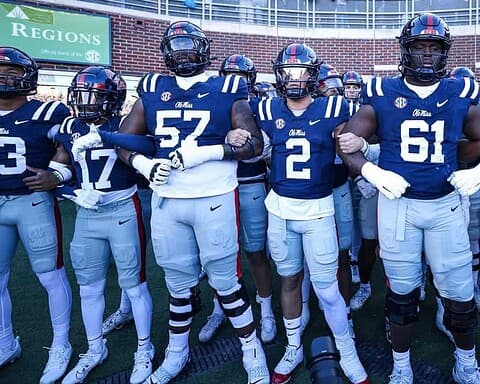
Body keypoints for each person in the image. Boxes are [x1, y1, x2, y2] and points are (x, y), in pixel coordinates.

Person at [74, 21, 270, 384]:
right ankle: (177, 353)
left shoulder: (229, 87)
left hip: (212, 197)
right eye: (175, 45)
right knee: (178, 284)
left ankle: (250, 346)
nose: (182, 53)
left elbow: (254, 145)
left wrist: (210, 152)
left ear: (204, 49)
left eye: (188, 45)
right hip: (167, 199)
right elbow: (125, 142)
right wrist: (144, 164)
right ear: (165, 51)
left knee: (225, 281)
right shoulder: (151, 86)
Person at [337, 13, 480, 384]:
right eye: (420, 47)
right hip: (398, 207)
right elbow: (347, 143)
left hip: (445, 205)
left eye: (435, 48)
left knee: (461, 297)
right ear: (406, 51)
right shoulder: (382, 92)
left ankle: (467, 361)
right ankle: (401, 366)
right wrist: (373, 171)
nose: (428, 55)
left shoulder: (460, 92)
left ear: (445, 53)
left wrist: (477, 171)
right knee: (401, 297)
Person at [31, 66, 155, 384]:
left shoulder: (125, 125)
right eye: (81, 95)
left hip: (122, 209)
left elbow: (148, 147)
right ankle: (94, 348)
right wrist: (69, 188)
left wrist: (110, 137)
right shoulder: (70, 128)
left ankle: (144, 349)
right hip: (87, 215)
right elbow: (61, 168)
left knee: (134, 285)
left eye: (95, 96)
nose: (86, 103)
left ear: (113, 99)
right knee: (89, 288)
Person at [257, 42, 368, 384]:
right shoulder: (266, 109)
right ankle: (292, 346)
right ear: (278, 76)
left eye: (301, 71)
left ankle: (347, 351)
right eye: (287, 71)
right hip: (279, 209)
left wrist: (359, 146)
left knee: (327, 287)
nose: (293, 78)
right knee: (289, 279)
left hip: (318, 209)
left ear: (314, 75)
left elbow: (360, 131)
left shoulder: (335, 108)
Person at [0, 46, 73, 384]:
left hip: (33, 204)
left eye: (12, 71)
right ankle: (5, 342)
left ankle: (61, 345)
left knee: (49, 276)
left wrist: (56, 174)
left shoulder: (49, 111)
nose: (5, 76)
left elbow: (72, 144)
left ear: (26, 77)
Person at [198, 54, 276, 345]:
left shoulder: (259, 106)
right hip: (218, 187)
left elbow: (267, 150)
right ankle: (220, 307)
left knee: (256, 251)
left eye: (240, 77)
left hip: (251, 182)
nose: (234, 81)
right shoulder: (213, 102)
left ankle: (266, 309)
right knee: (221, 255)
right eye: (229, 74)